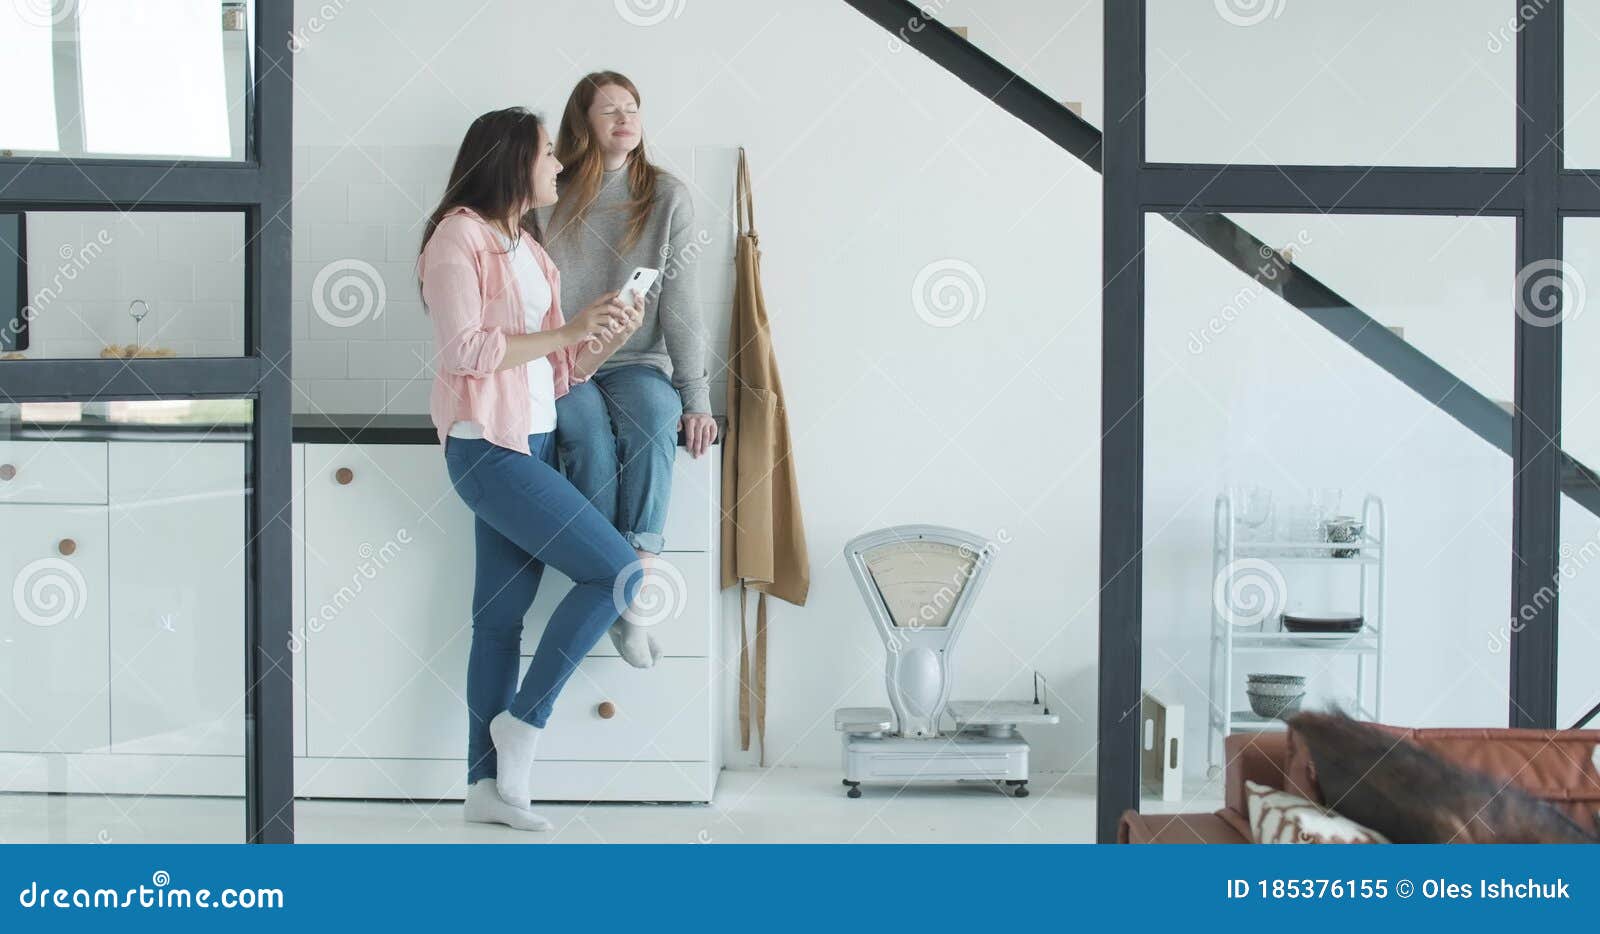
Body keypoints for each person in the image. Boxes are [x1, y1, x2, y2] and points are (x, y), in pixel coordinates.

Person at [418, 106, 646, 832]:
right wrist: (566, 328)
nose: (558, 165)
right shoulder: (458, 237)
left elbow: (557, 371)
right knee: (617, 573)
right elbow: (467, 351)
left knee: (498, 622)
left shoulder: (528, 245)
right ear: (514, 161)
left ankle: (486, 790)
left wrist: (600, 337)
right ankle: (523, 725)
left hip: (534, 441)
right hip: (485, 447)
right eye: (549, 153)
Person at [542, 72, 716, 669]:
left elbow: (682, 304)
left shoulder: (667, 196)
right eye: (609, 110)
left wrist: (695, 396)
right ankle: (608, 584)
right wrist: (561, 345)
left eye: (633, 108)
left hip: (637, 360)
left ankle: (630, 596)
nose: (625, 119)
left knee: (657, 413)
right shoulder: (547, 189)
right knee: (586, 433)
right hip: (560, 360)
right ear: (581, 124)